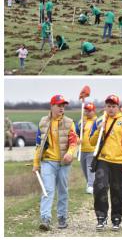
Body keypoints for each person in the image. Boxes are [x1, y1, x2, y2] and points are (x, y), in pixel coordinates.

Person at [89, 95, 122, 232]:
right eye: (108, 106)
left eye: (113, 106)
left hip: (120, 162)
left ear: (118, 107)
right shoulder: (99, 121)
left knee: (118, 191)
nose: (111, 109)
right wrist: (99, 129)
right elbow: (91, 142)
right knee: (100, 188)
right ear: (105, 107)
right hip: (103, 160)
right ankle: (101, 217)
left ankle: (116, 218)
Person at [32, 95, 77, 231]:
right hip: (48, 162)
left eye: (63, 105)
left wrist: (70, 153)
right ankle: (45, 219)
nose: (62, 108)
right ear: (51, 106)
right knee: (48, 190)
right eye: (59, 105)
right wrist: (36, 163)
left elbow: (74, 141)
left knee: (62, 190)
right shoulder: (42, 122)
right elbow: (38, 145)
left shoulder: (69, 122)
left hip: (64, 163)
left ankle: (62, 216)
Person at [76, 102, 97, 194]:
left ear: (93, 111)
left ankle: (91, 185)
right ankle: (89, 183)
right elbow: (75, 133)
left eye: (89, 111)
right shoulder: (81, 121)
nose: (87, 113)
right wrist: (77, 137)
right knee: (85, 170)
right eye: (86, 111)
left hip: (92, 150)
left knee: (90, 168)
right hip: (81, 150)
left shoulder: (97, 121)